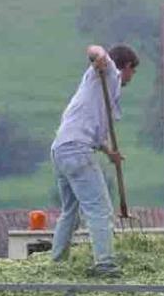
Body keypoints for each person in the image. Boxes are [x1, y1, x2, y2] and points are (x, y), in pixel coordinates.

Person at [49, 44, 139, 275]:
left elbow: (92, 129)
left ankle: (57, 263)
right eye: (133, 71)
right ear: (127, 66)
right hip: (77, 150)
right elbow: (95, 49)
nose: (132, 77)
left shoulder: (103, 90)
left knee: (70, 210)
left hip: (61, 149)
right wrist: (98, 57)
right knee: (100, 209)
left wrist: (109, 153)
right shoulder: (108, 73)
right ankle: (105, 263)